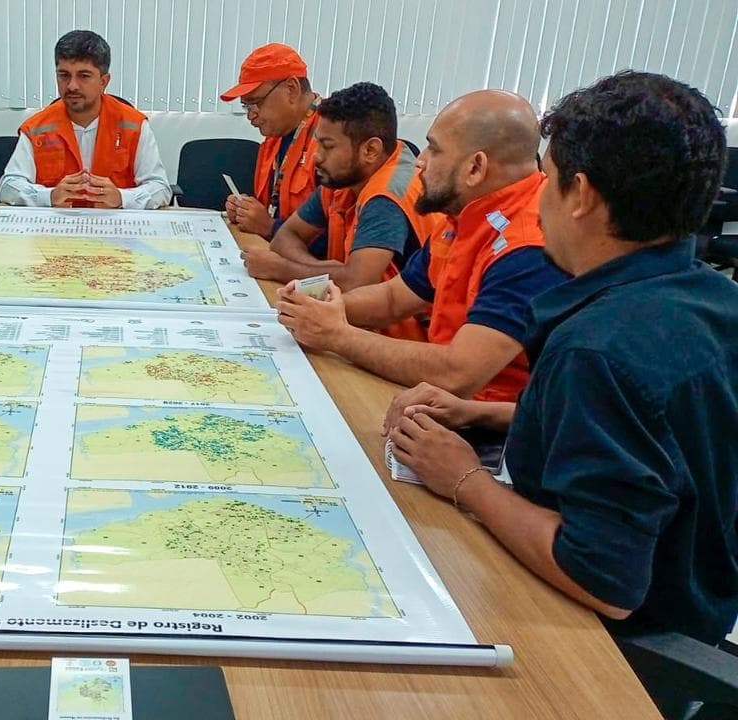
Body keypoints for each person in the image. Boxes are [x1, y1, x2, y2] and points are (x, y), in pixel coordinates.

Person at [385, 71, 737, 653]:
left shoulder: (596, 348)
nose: (537, 199)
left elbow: (605, 579)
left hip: (613, 644)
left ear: (582, 196)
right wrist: (482, 413)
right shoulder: (714, 298)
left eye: (546, 180)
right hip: (704, 598)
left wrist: (464, 479)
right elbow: (662, 440)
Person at [276, 90, 568, 402]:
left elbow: (458, 373)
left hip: (479, 418)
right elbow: (393, 298)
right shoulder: (466, 212)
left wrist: (338, 335)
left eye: (434, 149)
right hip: (434, 398)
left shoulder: (529, 246)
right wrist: (319, 308)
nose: (420, 161)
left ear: (475, 168)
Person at [244, 83, 433, 342]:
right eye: (317, 144)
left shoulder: (387, 196)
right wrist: (327, 270)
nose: (316, 157)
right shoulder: (343, 178)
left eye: (328, 146)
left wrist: (283, 268)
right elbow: (285, 237)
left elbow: (357, 282)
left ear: (370, 150)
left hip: (401, 340)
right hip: (353, 323)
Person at [0, 30, 172, 209]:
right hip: (57, 223)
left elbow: (160, 187)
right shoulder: (37, 127)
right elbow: (9, 186)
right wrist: (49, 196)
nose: (72, 86)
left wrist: (122, 198)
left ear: (104, 81)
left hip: (115, 222)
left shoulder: (134, 126)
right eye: (64, 75)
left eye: (84, 76)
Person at [219, 44, 321, 238]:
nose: (251, 116)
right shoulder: (274, 138)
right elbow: (273, 205)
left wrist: (270, 228)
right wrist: (246, 211)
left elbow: (337, 240)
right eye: (246, 106)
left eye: (256, 103)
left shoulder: (333, 141)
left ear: (291, 89)